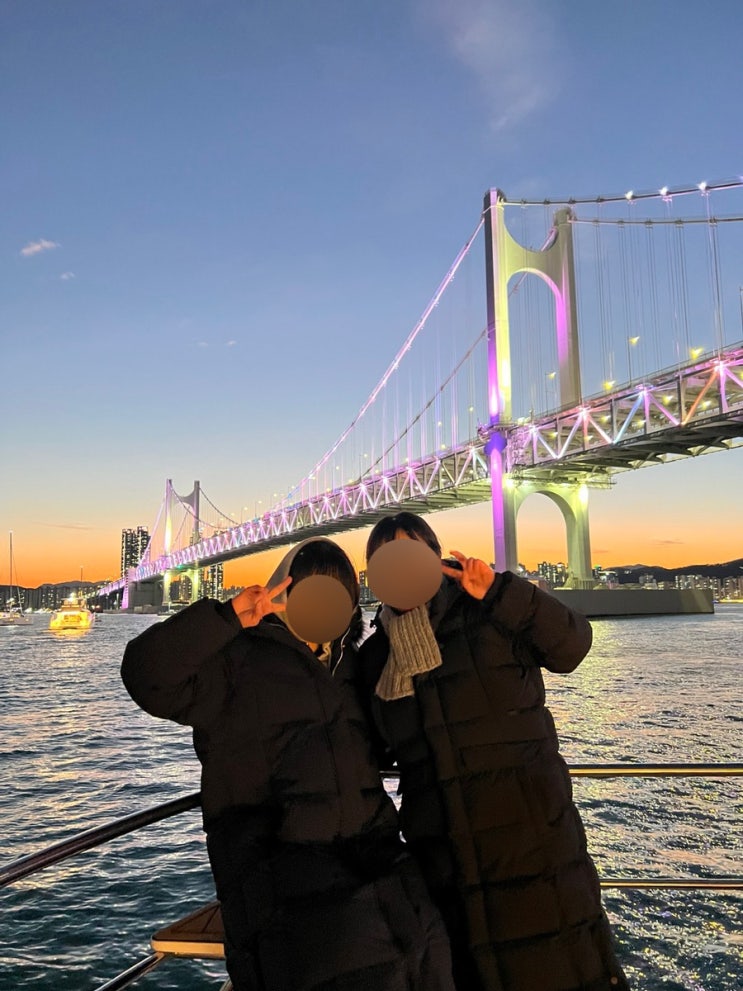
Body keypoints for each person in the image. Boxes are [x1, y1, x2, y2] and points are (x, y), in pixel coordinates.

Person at [121, 537, 455, 991]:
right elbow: (146, 676)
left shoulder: (352, 666)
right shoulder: (236, 659)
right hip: (281, 864)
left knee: (433, 952)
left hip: (377, 856)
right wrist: (227, 617)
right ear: (286, 592)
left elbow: (387, 739)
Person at [354, 512, 629, 991]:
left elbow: (573, 646)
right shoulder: (376, 656)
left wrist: (503, 591)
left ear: (437, 558)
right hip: (445, 864)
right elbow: (371, 746)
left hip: (532, 847)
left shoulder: (489, 612)